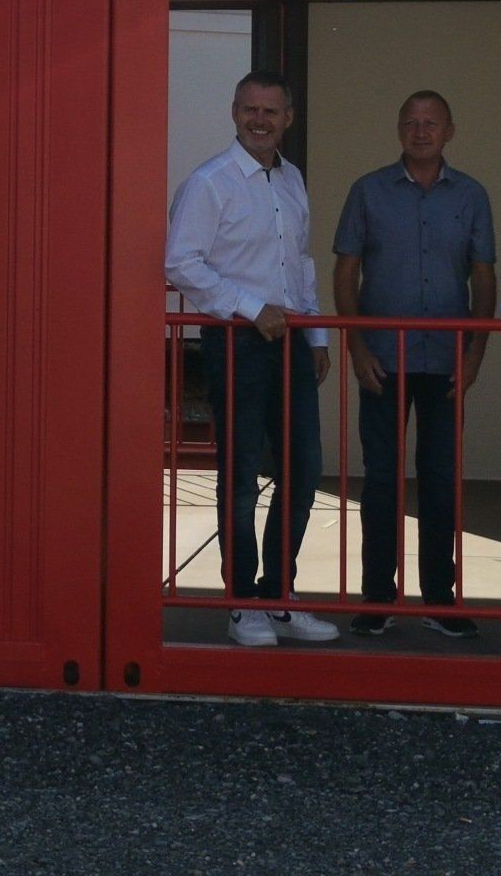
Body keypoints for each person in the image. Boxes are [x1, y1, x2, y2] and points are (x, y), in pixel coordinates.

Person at [165, 71, 338, 647]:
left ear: (288, 117)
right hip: (238, 341)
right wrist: (249, 308)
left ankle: (279, 595)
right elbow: (180, 262)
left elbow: (302, 263)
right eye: (249, 109)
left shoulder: (292, 179)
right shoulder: (209, 183)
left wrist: (316, 337)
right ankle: (242, 603)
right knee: (241, 476)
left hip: (291, 342)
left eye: (270, 111)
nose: (259, 120)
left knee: (302, 469)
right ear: (234, 112)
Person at [333, 90, 495, 638]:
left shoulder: (471, 195)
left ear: (450, 131)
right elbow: (345, 272)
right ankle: (378, 596)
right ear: (398, 128)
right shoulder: (368, 190)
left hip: (446, 361)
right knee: (381, 479)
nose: (420, 131)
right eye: (411, 122)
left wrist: (475, 354)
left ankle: (439, 598)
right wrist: (356, 348)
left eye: (431, 123)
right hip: (382, 359)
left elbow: (484, 279)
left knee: (441, 479)